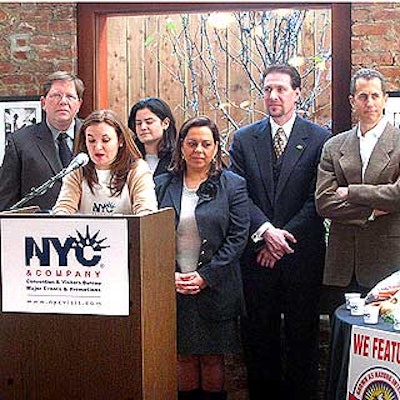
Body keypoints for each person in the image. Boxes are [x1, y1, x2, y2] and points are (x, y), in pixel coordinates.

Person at [229, 64, 330, 400]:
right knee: (259, 340)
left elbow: (317, 197)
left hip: (301, 256)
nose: (273, 96)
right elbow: (239, 195)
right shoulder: (243, 140)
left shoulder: (319, 139)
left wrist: (280, 238)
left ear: (297, 93)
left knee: (303, 340)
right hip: (258, 259)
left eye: (281, 89)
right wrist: (266, 231)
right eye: (268, 89)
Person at [155, 116, 250, 400]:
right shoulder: (160, 184)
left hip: (216, 287)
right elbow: (150, 233)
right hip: (173, 285)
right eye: (192, 143)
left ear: (216, 147)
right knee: (182, 357)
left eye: (206, 144)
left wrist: (206, 276)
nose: (199, 150)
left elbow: (238, 237)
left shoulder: (233, 185)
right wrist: (166, 275)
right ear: (181, 146)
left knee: (212, 359)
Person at [315, 68, 400, 315]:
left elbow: (398, 195)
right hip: (343, 264)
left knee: (382, 339)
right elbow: (324, 203)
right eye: (363, 96)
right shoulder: (334, 146)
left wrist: (350, 192)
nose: (370, 103)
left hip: (386, 260)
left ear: (385, 98)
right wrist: (372, 211)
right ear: (353, 101)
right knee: (342, 339)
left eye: (375, 96)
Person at [0, 71, 85, 211]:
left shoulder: (94, 137)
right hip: (39, 228)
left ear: (79, 104)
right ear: (43, 102)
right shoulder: (20, 142)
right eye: (56, 95)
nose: (63, 101)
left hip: (88, 227)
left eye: (70, 96)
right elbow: (6, 200)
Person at [53, 109, 157, 215]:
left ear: (120, 140)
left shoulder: (137, 169)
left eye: (105, 140)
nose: (98, 147)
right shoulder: (77, 169)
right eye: (91, 141)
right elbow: (64, 208)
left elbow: (146, 211)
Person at [128, 97, 177, 177]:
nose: (143, 127)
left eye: (149, 122)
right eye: (138, 123)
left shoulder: (177, 159)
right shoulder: (129, 158)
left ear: (165, 123)